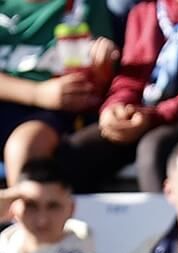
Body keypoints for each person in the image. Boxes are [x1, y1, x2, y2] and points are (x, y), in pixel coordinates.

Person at [56, 0, 178, 193]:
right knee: (75, 151)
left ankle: (167, 222)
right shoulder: (145, 10)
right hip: (145, 114)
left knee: (153, 149)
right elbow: (131, 77)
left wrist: (154, 116)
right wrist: (115, 107)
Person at [0, 0, 118, 178]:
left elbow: (98, 85)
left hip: (52, 114)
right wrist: (36, 93)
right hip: (12, 99)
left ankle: (26, 203)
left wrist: (102, 67)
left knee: (25, 145)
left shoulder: (86, 5)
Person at [0, 157, 93, 253]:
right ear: (14, 208)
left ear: (71, 208)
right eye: (31, 206)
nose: (42, 221)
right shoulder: (5, 245)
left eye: (53, 207)